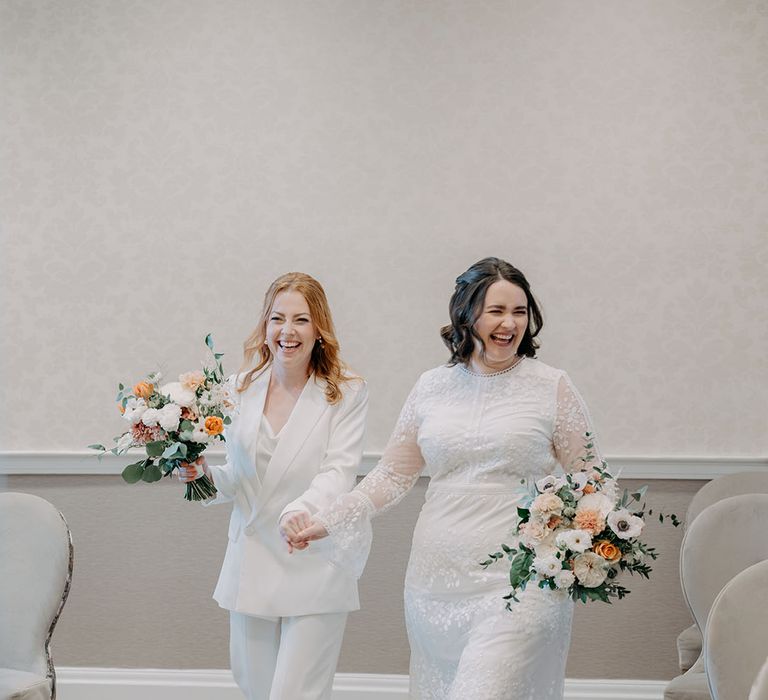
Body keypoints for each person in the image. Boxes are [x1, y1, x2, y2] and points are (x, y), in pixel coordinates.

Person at [291, 257, 603, 700]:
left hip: (520, 581)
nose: (509, 323)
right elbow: (394, 473)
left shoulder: (551, 385)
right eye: (496, 310)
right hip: (435, 580)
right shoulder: (432, 386)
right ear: (466, 314)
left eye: (519, 311)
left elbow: (591, 479)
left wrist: (579, 548)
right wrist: (333, 517)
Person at [179, 272, 368, 700]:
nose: (288, 331)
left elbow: (339, 471)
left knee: (294, 693)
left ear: (319, 329)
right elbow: (238, 479)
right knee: (255, 687)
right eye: (277, 318)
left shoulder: (347, 392)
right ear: (265, 327)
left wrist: (299, 511)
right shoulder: (238, 390)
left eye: (301, 319)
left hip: (313, 555)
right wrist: (202, 479)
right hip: (251, 561)